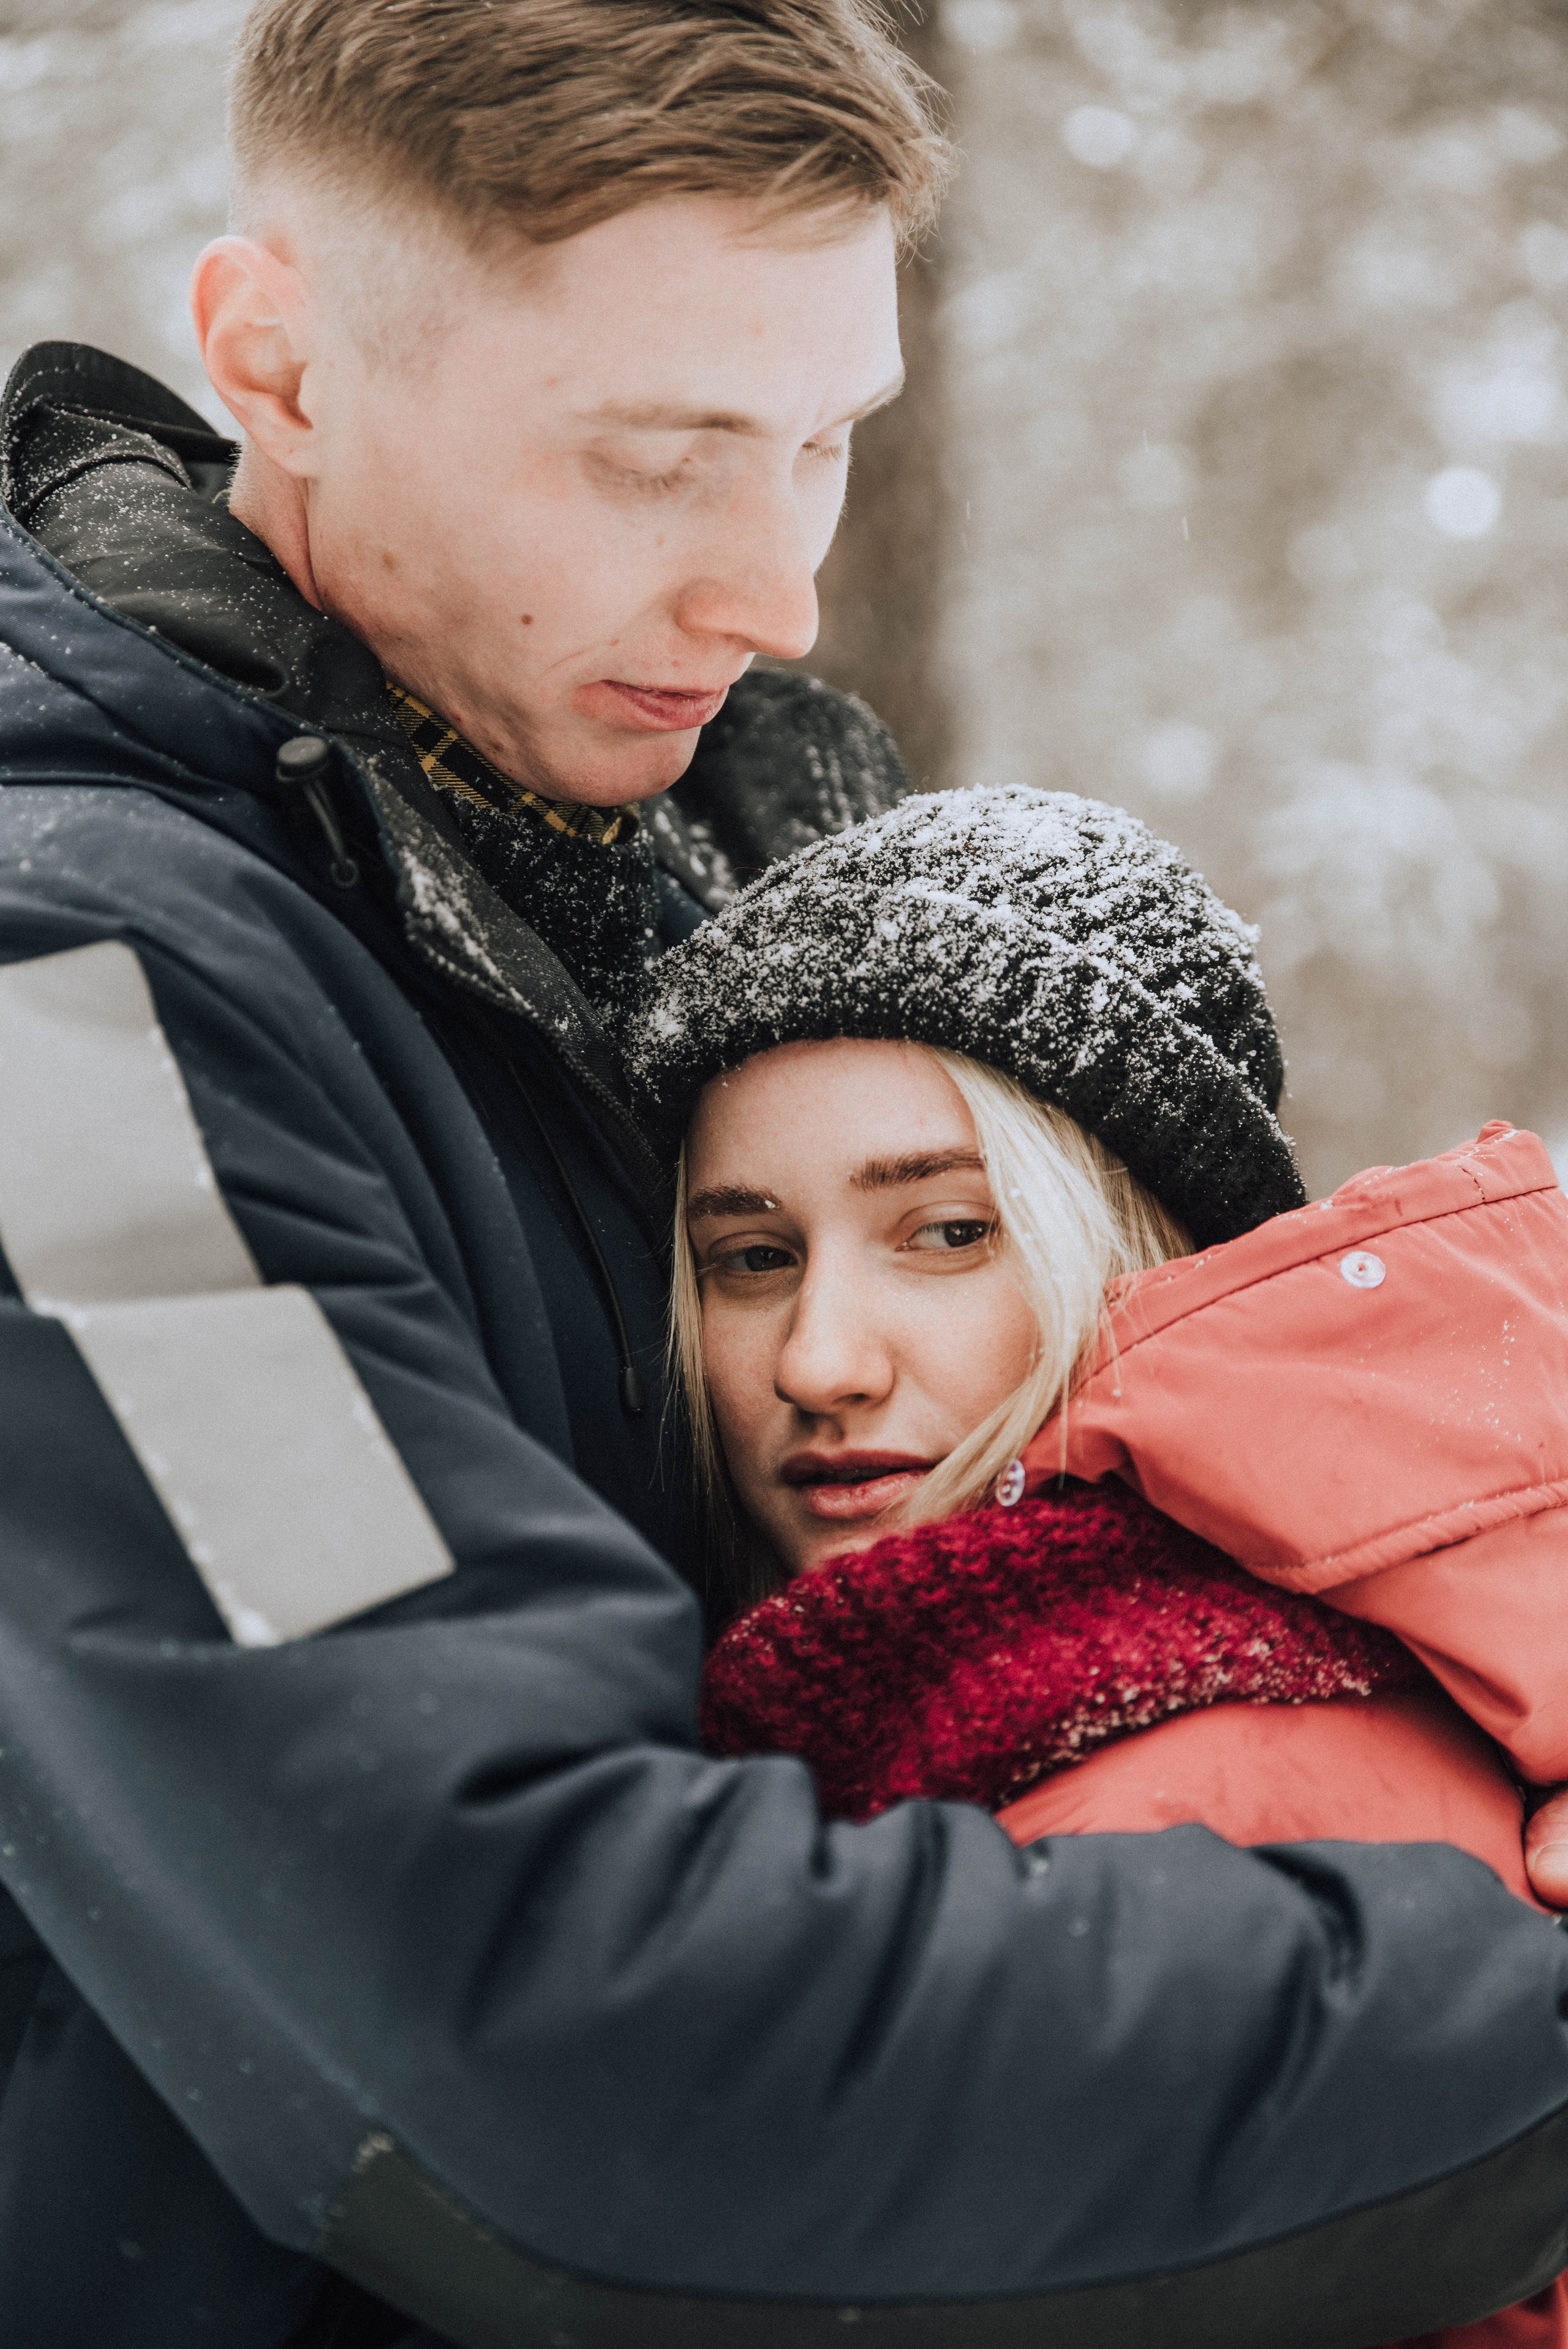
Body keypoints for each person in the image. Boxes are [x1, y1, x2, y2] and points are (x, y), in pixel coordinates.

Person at [1, 3, 1567, 2343]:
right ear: (286, 368)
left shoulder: (719, 850)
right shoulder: (73, 1036)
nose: (778, 591)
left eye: (824, 444)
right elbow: (536, 2033)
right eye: (657, 456)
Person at [630, 782, 1568, 2345]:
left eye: (945, 1232)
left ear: (1136, 1249)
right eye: (750, 1259)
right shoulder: (940, 1722)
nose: (820, 1360)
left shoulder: (1177, 1799)